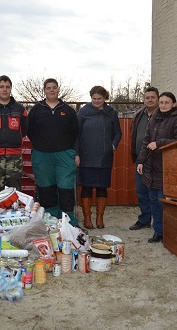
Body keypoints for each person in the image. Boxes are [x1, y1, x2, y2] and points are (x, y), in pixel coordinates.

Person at [137, 91, 177, 243]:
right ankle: (158, 232)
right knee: (153, 201)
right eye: (162, 102)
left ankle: (169, 232)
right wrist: (141, 161)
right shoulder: (155, 118)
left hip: (168, 166)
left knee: (163, 201)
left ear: (174, 104)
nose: (163, 105)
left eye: (167, 102)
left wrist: (160, 143)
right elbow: (146, 141)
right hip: (152, 166)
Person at [27, 78, 79, 226]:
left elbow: (75, 132)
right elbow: (30, 131)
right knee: (46, 187)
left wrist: (71, 150)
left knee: (65, 187)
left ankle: (69, 222)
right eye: (48, 88)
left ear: (58, 89)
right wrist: (42, 144)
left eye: (54, 87)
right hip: (42, 154)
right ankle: (50, 220)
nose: (51, 90)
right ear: (44, 90)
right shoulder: (36, 110)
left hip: (64, 154)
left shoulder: (68, 110)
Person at [75, 86, 122, 229]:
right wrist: (76, 153)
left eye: (99, 99)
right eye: (94, 98)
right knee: (87, 187)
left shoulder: (111, 112)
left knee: (102, 188)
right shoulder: (83, 112)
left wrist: (112, 146)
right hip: (86, 156)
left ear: (105, 98)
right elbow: (76, 134)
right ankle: (87, 219)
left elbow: (118, 133)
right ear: (91, 98)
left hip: (104, 157)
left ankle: (100, 219)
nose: (96, 101)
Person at [129, 86, 160, 231]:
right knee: (141, 191)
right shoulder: (138, 115)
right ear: (144, 100)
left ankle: (158, 222)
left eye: (153, 97)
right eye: (147, 97)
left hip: (157, 160)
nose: (150, 100)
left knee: (155, 192)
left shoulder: (163, 115)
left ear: (158, 99)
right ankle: (145, 219)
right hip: (140, 160)